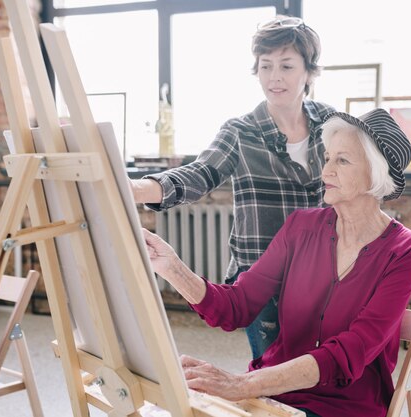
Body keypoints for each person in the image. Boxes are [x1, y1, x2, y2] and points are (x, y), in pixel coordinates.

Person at [143, 108, 411, 417]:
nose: (325, 172)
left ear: (375, 174)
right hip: (272, 394)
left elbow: (351, 351)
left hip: (342, 407)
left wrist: (242, 384)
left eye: (342, 161)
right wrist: (171, 266)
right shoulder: (300, 227)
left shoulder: (406, 251)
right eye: (328, 158)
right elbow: (237, 305)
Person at [131, 15, 335, 359]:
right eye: (265, 66)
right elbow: (199, 175)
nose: (274, 77)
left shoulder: (332, 123)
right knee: (273, 379)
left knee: (321, 373)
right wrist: (137, 189)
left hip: (324, 275)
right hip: (263, 281)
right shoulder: (241, 131)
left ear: (310, 72)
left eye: (286, 66)